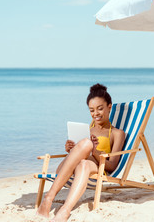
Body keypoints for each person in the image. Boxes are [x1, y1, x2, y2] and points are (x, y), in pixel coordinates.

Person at [37, 83, 125, 222]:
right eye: (91, 110)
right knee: (85, 143)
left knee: (84, 162)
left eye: (100, 109)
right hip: (66, 171)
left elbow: (112, 166)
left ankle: (64, 211)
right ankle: (49, 198)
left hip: (93, 168)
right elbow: (76, 154)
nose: (95, 113)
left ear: (109, 107)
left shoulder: (117, 133)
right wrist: (70, 149)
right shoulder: (86, 130)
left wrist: (95, 152)